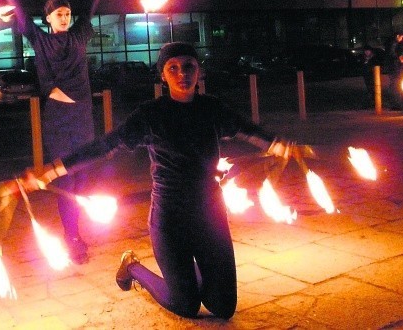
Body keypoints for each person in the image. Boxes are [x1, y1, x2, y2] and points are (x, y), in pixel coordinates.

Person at [22, 42, 299, 320]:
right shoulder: (151, 114)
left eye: (188, 66)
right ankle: (132, 267)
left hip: (210, 214)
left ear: (199, 71)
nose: (182, 74)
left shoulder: (211, 108)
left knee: (222, 306)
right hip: (170, 218)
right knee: (186, 305)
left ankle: (192, 273)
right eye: (173, 68)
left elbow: (246, 129)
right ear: (163, 75)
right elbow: (108, 144)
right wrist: (54, 168)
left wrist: (277, 144)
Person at [0, 0, 115, 264]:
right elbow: (17, 8)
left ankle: (78, 228)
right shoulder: (40, 39)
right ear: (47, 18)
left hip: (82, 115)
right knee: (66, 178)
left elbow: (93, 2)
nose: (66, 16)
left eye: (68, 13)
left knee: (83, 175)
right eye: (59, 13)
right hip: (58, 118)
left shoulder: (80, 36)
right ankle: (73, 237)